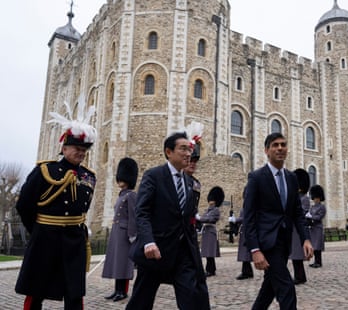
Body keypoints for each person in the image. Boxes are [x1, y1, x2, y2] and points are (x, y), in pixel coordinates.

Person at [15, 97, 97, 310]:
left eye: (84, 149)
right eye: (76, 148)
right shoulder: (44, 171)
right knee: (36, 290)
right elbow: (24, 205)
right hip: (46, 238)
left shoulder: (89, 176)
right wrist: (38, 230)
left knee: (74, 293)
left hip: (74, 241)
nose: (80, 152)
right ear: (64, 147)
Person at [126, 132, 210, 310]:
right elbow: (142, 211)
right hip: (155, 251)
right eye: (183, 149)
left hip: (183, 254)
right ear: (168, 152)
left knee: (192, 299)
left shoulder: (190, 183)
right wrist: (148, 241)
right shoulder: (153, 175)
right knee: (141, 302)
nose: (188, 153)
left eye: (189, 149)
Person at [243, 132, 313, 310]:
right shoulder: (256, 177)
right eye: (275, 145)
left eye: (283, 144)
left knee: (269, 288)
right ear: (267, 150)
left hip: (283, 242)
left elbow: (297, 212)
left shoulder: (291, 178)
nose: (280, 148)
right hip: (266, 242)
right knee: (286, 287)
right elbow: (249, 217)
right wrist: (255, 249)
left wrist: (305, 238)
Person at [102, 157, 139, 302]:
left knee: (124, 263)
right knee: (117, 262)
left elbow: (133, 217)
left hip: (125, 234)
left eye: (122, 179)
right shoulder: (121, 195)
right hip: (117, 232)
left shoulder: (131, 196)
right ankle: (117, 290)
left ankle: (123, 291)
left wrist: (133, 236)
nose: (119, 181)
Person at [289, 168, 311, 284]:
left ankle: (300, 276)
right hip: (293, 229)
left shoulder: (304, 199)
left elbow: (301, 213)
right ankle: (299, 275)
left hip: (299, 230)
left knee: (297, 254)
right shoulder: (296, 198)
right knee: (294, 255)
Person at [196, 186, 224, 277]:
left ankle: (210, 270)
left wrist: (200, 218)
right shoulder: (208, 210)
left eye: (212, 200)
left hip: (211, 232)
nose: (210, 202)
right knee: (207, 252)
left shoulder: (216, 210)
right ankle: (211, 269)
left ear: (215, 201)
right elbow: (204, 217)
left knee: (210, 252)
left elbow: (209, 219)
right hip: (206, 231)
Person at [230, 208, 254, 280]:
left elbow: (246, 218)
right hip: (243, 230)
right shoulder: (243, 208)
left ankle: (246, 272)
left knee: (245, 252)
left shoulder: (249, 207)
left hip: (247, 231)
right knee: (244, 253)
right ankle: (247, 271)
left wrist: (236, 219)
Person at [307, 184, 326, 268]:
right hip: (312, 228)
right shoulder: (312, 207)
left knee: (317, 246)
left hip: (318, 228)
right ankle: (315, 261)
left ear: (320, 198)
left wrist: (312, 217)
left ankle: (319, 262)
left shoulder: (322, 207)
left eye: (317, 198)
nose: (315, 200)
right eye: (314, 198)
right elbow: (309, 214)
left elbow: (319, 216)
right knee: (314, 245)